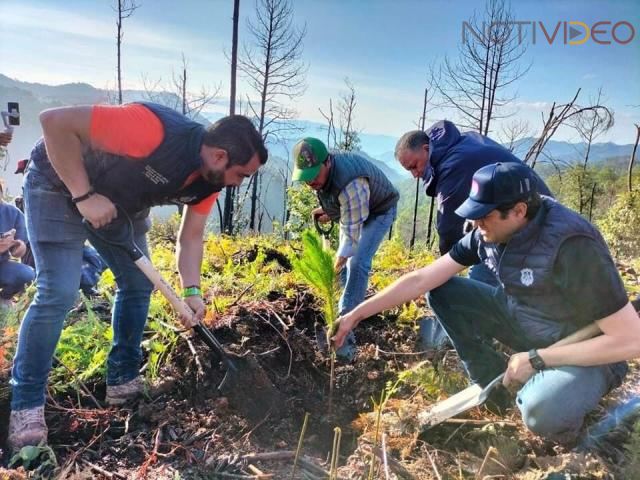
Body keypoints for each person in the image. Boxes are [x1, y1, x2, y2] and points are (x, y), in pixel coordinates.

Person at [8, 102, 268, 450]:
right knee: (59, 291)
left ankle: (122, 380)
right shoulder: (153, 130)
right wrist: (84, 195)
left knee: (137, 283)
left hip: (118, 205)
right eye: (242, 175)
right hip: (58, 183)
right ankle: (25, 403)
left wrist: (192, 291)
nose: (239, 184)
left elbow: (190, 237)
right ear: (221, 156)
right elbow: (52, 122)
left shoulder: (209, 182)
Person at [333, 162, 640, 443]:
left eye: (485, 215)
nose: (476, 223)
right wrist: (357, 314)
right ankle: (492, 383)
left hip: (584, 352)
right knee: (442, 291)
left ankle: (571, 431)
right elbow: (422, 279)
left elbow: (630, 341)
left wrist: (538, 360)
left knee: (541, 412)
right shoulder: (488, 233)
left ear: (519, 211)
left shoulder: (572, 246)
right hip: (527, 321)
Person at [394, 121, 551, 347]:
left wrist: (446, 267)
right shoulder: (456, 145)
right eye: (408, 170)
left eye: (415, 165)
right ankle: (494, 331)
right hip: (511, 216)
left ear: (426, 149)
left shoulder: (453, 164)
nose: (415, 174)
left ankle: (484, 338)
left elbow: (448, 225)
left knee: (481, 277)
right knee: (489, 273)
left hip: (526, 218)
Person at [292, 138, 398, 361]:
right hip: (358, 209)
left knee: (357, 261)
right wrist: (328, 209)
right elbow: (344, 206)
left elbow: (351, 237)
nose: (310, 181)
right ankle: (341, 303)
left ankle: (345, 324)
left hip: (379, 211)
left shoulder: (351, 183)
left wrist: (333, 267)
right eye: (306, 177)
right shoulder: (323, 179)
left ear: (327, 162)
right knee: (343, 265)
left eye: (313, 174)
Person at [0, 180, 35, 306]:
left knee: (27, 273)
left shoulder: (12, 212)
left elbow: (20, 250)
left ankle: (4, 297)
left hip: (2, 266)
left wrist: (16, 245)